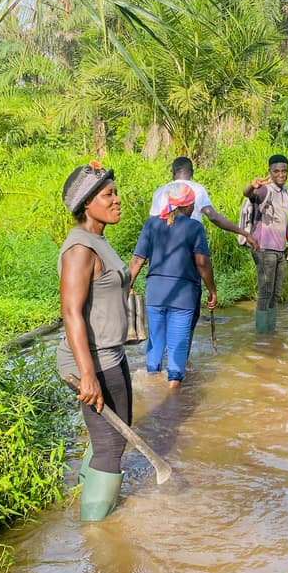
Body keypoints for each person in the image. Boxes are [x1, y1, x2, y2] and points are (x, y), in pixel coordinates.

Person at [57, 161, 131, 522]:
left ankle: (87, 493)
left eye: (115, 192)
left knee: (114, 438)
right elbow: (70, 312)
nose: (117, 200)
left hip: (110, 355)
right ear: (87, 204)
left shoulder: (99, 241)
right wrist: (87, 375)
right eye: (108, 195)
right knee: (111, 443)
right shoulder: (80, 249)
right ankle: (96, 533)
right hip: (91, 360)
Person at [151, 156, 257, 352]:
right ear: (192, 173)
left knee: (162, 308)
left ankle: (161, 356)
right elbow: (212, 216)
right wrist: (243, 232)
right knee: (188, 307)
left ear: (172, 173)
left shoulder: (160, 191)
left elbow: (153, 226)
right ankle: (183, 356)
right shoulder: (196, 189)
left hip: (161, 258)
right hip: (188, 255)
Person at [128, 181, 218, 389]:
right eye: (193, 204)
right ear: (187, 206)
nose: (194, 207)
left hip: (155, 294)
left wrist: (127, 286)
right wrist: (212, 291)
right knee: (178, 346)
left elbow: (136, 261)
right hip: (183, 296)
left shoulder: (151, 224)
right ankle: (173, 399)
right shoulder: (195, 227)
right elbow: (202, 263)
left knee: (155, 343)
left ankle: (152, 391)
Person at [242, 154, 288, 333]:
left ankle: (270, 333)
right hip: (263, 248)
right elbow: (248, 193)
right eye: (276, 171)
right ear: (269, 172)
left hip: (280, 250)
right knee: (265, 293)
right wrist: (251, 185)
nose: (281, 174)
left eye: (284, 171)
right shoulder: (264, 190)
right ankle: (262, 338)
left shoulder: (286, 191)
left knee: (276, 293)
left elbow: (285, 218)